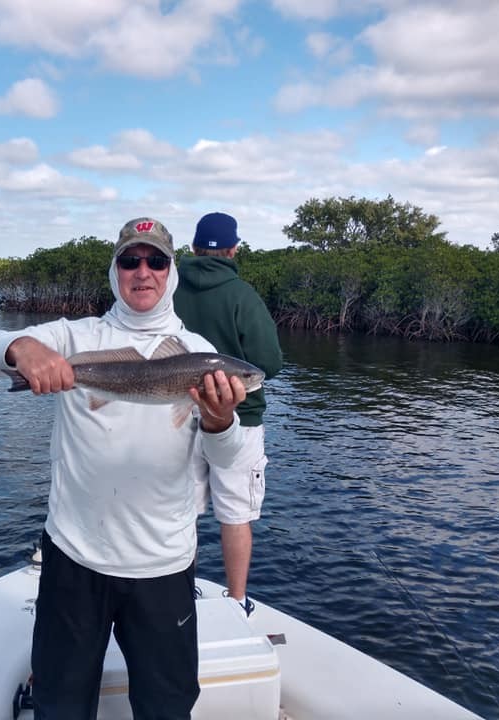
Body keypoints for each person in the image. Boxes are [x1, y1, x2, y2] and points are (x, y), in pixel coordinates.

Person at [0, 217, 249, 720]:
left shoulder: (200, 354)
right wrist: (21, 347)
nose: (144, 272)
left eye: (157, 261)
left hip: (163, 566)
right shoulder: (75, 338)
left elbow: (227, 461)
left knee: (167, 710)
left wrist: (221, 419)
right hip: (74, 559)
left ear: (172, 272)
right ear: (115, 270)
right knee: (59, 706)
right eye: (130, 260)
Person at [173, 211, 283, 618]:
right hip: (241, 421)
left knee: (184, 509)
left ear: (193, 248)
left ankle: (182, 593)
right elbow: (269, 363)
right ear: (235, 249)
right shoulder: (243, 295)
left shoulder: (170, 290)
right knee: (236, 514)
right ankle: (238, 601)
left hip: (179, 413)